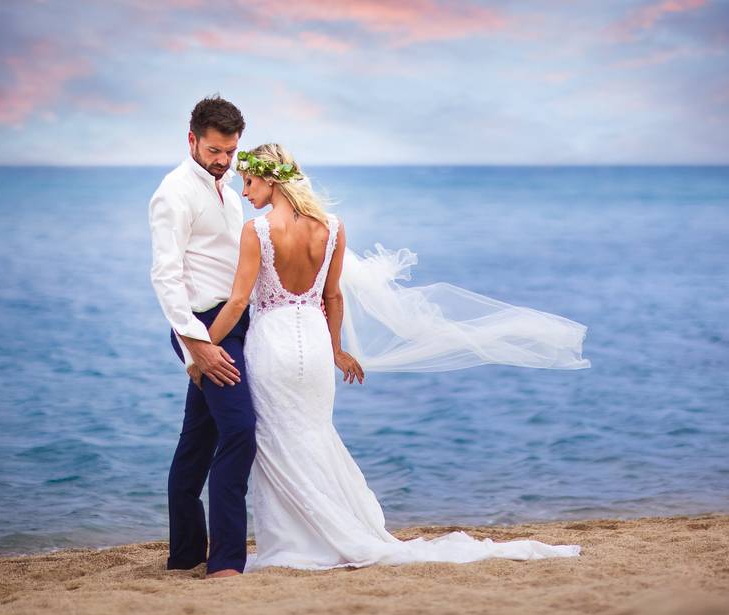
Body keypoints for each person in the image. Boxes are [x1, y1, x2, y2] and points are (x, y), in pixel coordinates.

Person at [193, 143, 588, 572]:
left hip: (273, 345)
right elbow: (333, 296)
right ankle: (326, 534)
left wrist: (201, 350)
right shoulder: (333, 227)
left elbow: (236, 304)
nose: (245, 191)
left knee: (277, 444)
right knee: (312, 435)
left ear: (270, 179)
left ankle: (295, 542)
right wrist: (338, 349)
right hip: (314, 341)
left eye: (249, 181)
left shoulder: (258, 231)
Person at [148, 96, 256, 578]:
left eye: (230, 152)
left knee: (198, 438)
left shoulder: (227, 191)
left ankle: (186, 554)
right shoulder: (173, 193)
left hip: (234, 323)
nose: (223, 160)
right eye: (214, 150)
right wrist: (197, 345)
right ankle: (226, 562)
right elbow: (165, 276)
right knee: (240, 431)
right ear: (191, 139)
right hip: (204, 327)